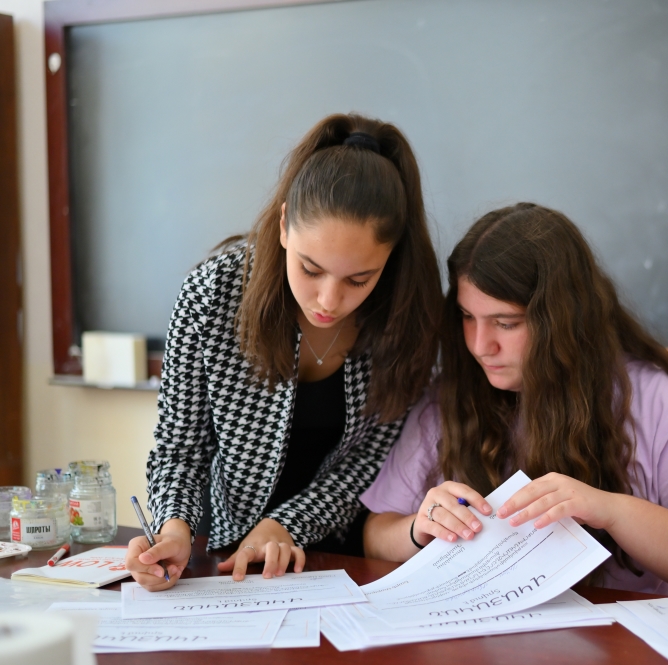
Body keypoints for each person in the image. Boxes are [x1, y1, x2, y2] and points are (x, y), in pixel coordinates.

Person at [362, 203, 668, 596]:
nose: (481, 346)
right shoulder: (450, 397)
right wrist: (419, 527)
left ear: (561, 320)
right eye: (468, 317)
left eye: (506, 323)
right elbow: (376, 534)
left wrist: (612, 511)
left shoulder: (659, 402)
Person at [125, 114, 442, 591]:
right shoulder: (214, 294)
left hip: (343, 557)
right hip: (218, 550)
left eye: (359, 279)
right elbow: (180, 447)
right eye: (311, 269)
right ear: (283, 227)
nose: (329, 301)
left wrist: (285, 526)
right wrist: (173, 529)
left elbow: (368, 463)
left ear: (389, 262)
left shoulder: (404, 316)